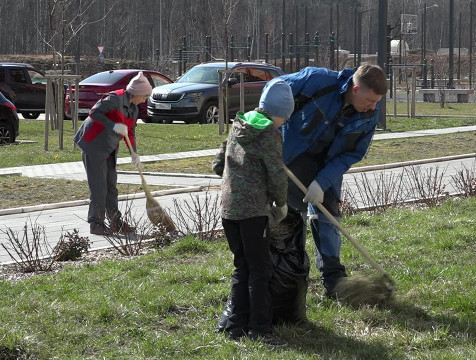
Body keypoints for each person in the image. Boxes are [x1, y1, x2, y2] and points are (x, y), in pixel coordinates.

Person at [279, 63, 388, 297]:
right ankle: (292, 272)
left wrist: (322, 181)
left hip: (328, 165)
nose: (373, 107)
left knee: (327, 217)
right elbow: (275, 90)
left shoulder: (369, 116)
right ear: (355, 88)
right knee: (291, 217)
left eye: (377, 102)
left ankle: (334, 279)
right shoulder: (317, 81)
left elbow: (352, 154)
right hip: (294, 157)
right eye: (370, 100)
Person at [212, 78, 294, 345]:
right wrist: (281, 204)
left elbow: (217, 163)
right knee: (260, 269)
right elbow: (276, 175)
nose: (283, 123)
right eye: (285, 118)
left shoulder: (240, 123)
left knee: (242, 265)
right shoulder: (270, 132)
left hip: (228, 209)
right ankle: (260, 329)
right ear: (280, 113)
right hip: (252, 212)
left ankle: (235, 325)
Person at [74, 71, 152, 235]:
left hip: (109, 146)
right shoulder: (115, 98)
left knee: (111, 186)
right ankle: (96, 223)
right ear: (137, 93)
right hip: (94, 144)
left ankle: (115, 221)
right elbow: (94, 113)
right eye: (145, 96)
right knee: (99, 187)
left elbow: (129, 132)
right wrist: (113, 125)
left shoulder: (134, 109)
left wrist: (134, 154)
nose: (145, 100)